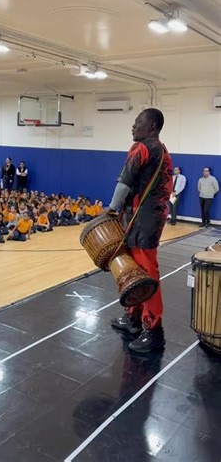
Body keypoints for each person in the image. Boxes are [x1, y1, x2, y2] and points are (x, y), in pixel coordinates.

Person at [108, 108, 173, 353]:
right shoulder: (163, 150)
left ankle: (153, 329)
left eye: (137, 122)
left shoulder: (143, 148)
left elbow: (125, 181)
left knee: (145, 274)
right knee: (135, 271)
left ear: (152, 126)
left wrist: (112, 209)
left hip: (143, 220)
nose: (132, 127)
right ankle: (134, 318)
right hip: (147, 218)